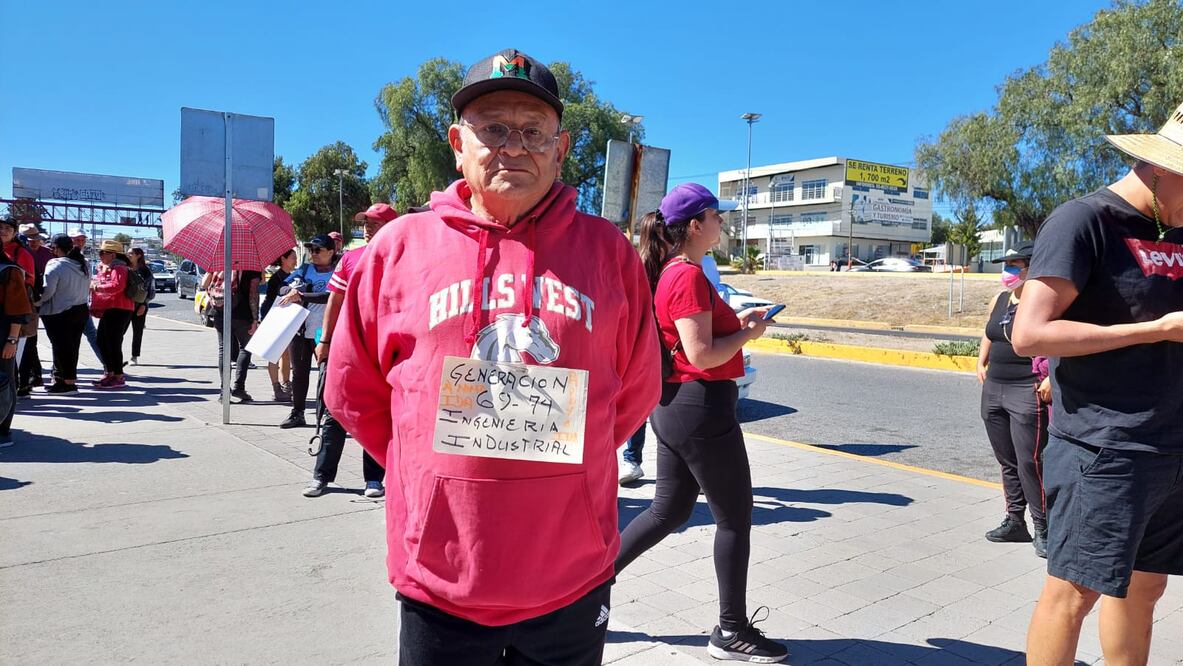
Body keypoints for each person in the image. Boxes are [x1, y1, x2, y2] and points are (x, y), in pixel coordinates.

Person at [324, 49, 660, 665]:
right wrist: (427, 464)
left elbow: (637, 388)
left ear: (560, 150)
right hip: (442, 574)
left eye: (533, 131)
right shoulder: (399, 248)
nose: (514, 146)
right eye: (494, 129)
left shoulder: (609, 254)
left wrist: (570, 466)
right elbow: (353, 390)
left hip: (570, 572)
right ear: (458, 143)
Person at [1014, 105, 1183, 665]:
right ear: (1161, 169)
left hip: (1173, 445)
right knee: (1074, 593)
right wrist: (1154, 329)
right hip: (1105, 448)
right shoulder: (1085, 221)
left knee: (1146, 586)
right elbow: (1031, 333)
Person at [614, 183, 788, 663]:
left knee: (667, 511)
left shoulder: (672, 271)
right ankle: (731, 632)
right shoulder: (686, 275)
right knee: (736, 517)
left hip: (675, 406)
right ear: (695, 225)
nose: (722, 224)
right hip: (700, 408)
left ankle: (585, 590)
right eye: (717, 216)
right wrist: (750, 332)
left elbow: (697, 337)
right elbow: (702, 353)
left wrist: (738, 321)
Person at [302, 203, 398, 498]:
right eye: (365, 223)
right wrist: (325, 341)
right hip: (348, 349)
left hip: (385, 351)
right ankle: (322, 476)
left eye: (375, 223)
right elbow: (335, 300)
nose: (367, 228)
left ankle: (374, 479)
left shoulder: (404, 256)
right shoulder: (350, 259)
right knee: (334, 410)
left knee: (380, 414)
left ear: (391, 226)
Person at [974, 240, 1051, 558]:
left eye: (1014, 265)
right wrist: (981, 360)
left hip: (1027, 388)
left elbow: (1058, 339)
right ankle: (1014, 521)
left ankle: (1044, 529)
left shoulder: (1046, 300)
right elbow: (988, 331)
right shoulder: (1002, 298)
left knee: (1030, 462)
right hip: (995, 387)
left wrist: (1051, 377)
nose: (1007, 271)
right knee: (1006, 461)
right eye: (1007, 265)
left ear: (1033, 268)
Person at [277, 234, 336, 428]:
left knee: (326, 375)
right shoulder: (305, 269)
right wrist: (291, 291)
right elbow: (283, 288)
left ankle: (328, 415)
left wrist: (302, 295)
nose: (313, 254)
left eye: (318, 250)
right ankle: (298, 412)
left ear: (331, 251)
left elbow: (329, 297)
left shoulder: (338, 272)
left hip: (325, 332)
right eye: (311, 250)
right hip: (302, 330)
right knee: (299, 374)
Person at [39, 235, 90, 394]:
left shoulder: (55, 265)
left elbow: (47, 292)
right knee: (72, 347)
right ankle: (64, 380)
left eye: (52, 248)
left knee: (61, 348)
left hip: (60, 312)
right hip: (81, 309)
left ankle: (67, 383)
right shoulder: (84, 263)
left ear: (56, 248)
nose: (51, 251)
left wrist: (36, 303)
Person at [201, 267, 261, 402]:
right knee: (246, 348)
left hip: (219, 312)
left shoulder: (219, 259)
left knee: (223, 350)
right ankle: (239, 387)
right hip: (242, 313)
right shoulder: (250, 264)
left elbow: (204, 284)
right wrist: (255, 319)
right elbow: (253, 294)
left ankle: (224, 391)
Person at [0, 243, 33, 447]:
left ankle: (3, 430)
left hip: (3, 336)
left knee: (5, 381)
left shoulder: (9, 271)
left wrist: (12, 340)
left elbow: (18, 310)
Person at [89, 240, 133, 389]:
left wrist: (96, 287)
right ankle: (112, 374)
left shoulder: (119, 267)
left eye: (102, 253)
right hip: (116, 308)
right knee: (107, 342)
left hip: (119, 308)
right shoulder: (114, 267)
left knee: (108, 342)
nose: (100, 255)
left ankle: (116, 375)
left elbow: (117, 286)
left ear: (113, 255)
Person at [19, 224, 52, 393]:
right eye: (30, 240)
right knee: (30, 340)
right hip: (31, 301)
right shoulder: (20, 252)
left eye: (36, 239)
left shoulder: (46, 253)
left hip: (37, 300)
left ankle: (30, 378)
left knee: (29, 339)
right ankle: (35, 374)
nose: (34, 243)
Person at [262, 249, 296, 402]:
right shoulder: (277, 278)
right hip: (273, 318)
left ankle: (286, 384)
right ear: (283, 259)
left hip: (287, 319)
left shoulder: (294, 276)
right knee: (274, 354)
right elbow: (280, 292)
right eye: (293, 258)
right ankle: (276, 388)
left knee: (286, 354)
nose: (295, 261)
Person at [68, 228, 103, 365]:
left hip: (81, 305)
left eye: (82, 240)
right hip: (66, 306)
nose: (80, 242)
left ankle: (109, 366)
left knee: (92, 335)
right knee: (67, 340)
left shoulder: (85, 260)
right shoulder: (62, 258)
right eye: (77, 240)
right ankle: (60, 371)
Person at [126, 248, 155, 366]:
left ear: (138, 256)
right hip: (125, 305)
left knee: (137, 332)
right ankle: (117, 356)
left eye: (131, 253)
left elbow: (151, 290)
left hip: (139, 305)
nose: (128, 255)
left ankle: (134, 356)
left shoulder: (145, 271)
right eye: (128, 253)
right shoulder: (125, 268)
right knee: (120, 332)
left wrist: (144, 304)